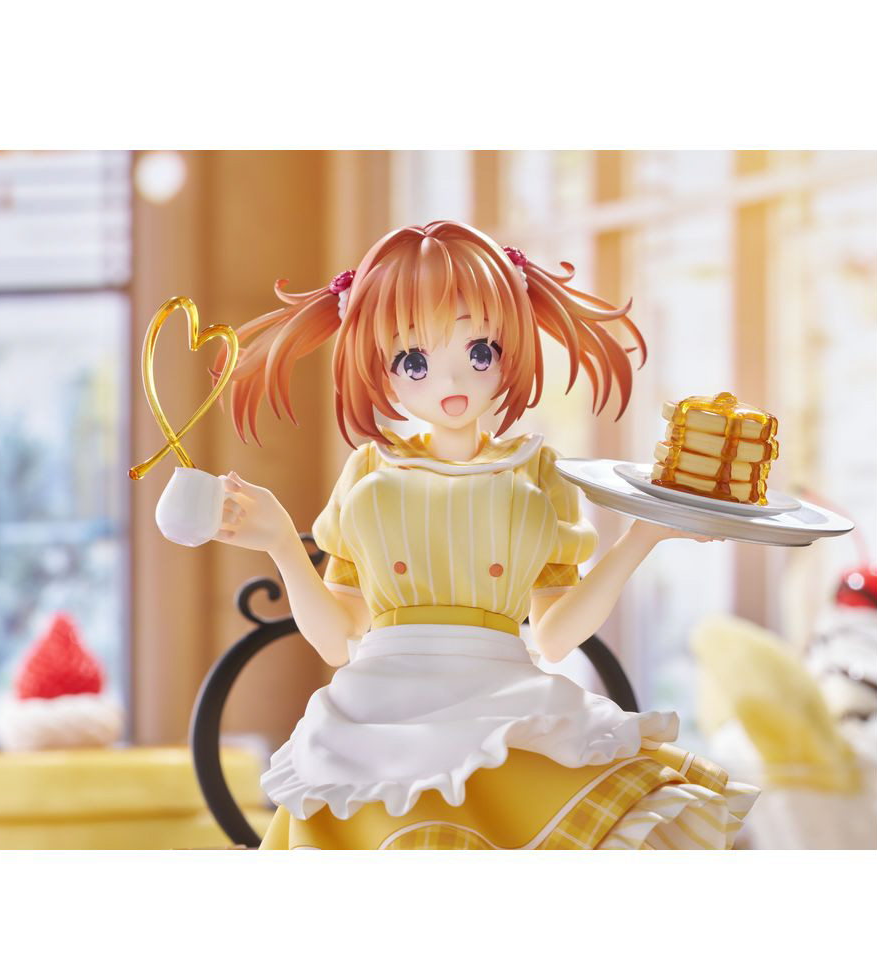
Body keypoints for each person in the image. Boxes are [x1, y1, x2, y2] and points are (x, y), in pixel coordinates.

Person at [161, 220, 758, 849]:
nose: (450, 384)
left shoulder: (535, 468)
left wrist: (641, 538)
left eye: (480, 352)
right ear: (378, 368)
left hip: (506, 700)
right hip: (380, 713)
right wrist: (282, 541)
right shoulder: (368, 470)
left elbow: (554, 636)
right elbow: (337, 639)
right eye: (414, 361)